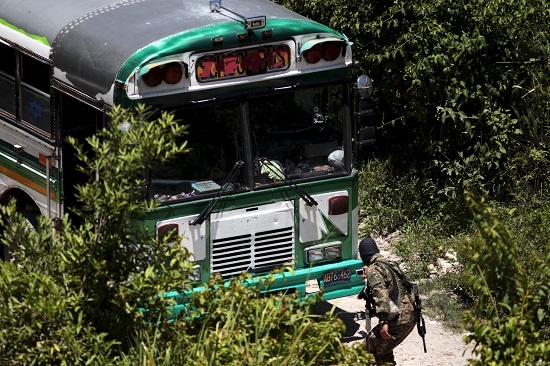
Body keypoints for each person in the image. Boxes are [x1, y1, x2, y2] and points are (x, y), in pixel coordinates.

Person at [358, 237, 417, 366]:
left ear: (363, 255)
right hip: (411, 317)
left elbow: (381, 296)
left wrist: (383, 321)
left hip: (398, 320)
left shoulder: (374, 270)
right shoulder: (390, 263)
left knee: (367, 348)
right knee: (383, 350)